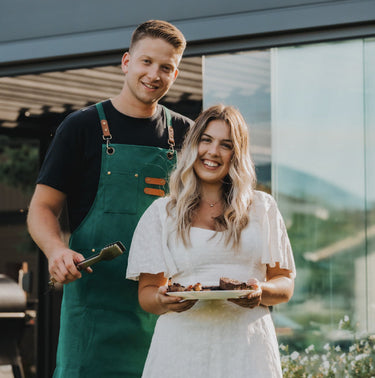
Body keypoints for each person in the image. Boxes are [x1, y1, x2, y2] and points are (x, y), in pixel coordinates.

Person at [27, 20, 193, 378]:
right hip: (93, 308)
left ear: (175, 73)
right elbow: (42, 208)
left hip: (162, 306)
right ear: (126, 62)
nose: (154, 74)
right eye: (146, 62)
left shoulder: (186, 134)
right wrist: (56, 250)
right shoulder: (81, 127)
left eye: (166, 67)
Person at [126, 104, 296, 378]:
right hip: (181, 351)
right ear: (193, 145)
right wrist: (162, 298)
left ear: (236, 154)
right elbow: (147, 293)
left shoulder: (262, 208)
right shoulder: (161, 213)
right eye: (206, 140)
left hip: (248, 349)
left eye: (226, 145)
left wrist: (260, 291)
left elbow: (285, 284)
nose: (213, 152)